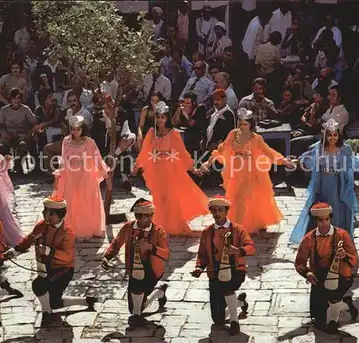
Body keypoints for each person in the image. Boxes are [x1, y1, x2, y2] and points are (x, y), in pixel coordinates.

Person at [4, 196, 97, 326]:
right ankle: (85, 301)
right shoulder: (42, 225)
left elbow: (67, 256)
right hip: (46, 268)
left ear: (55, 214)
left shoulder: (67, 232)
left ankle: (47, 313)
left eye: (46, 210)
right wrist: (14, 251)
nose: (43, 212)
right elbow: (29, 239)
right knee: (53, 301)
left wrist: (48, 251)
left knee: (39, 286)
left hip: (63, 270)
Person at [199, 109, 293, 235]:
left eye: (245, 124)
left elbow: (268, 152)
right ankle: (237, 223)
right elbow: (221, 149)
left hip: (250, 171)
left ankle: (240, 225)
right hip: (235, 171)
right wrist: (208, 162)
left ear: (251, 126)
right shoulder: (233, 134)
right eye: (240, 124)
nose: (242, 127)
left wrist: (283, 160)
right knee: (234, 195)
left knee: (242, 196)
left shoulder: (256, 139)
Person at [290, 119, 359, 244]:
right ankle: (321, 239)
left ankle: (338, 239)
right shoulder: (319, 148)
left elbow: (355, 162)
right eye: (330, 135)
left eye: (335, 135)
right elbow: (308, 158)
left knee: (337, 210)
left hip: (338, 184)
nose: (332, 138)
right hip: (323, 184)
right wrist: (296, 162)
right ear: (325, 135)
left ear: (339, 135)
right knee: (323, 209)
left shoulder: (345, 149)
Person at [133, 102, 208, 236]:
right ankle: (160, 226)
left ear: (167, 118)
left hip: (170, 170)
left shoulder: (173, 134)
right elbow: (145, 151)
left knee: (169, 197)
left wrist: (192, 168)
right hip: (155, 169)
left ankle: (172, 225)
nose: (160, 120)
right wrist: (137, 165)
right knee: (158, 197)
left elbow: (182, 152)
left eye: (163, 117)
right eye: (158, 117)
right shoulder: (151, 132)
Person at [192, 196, 254, 334]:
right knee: (217, 319)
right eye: (214, 211)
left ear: (227, 212)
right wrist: (198, 267)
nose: (217, 214)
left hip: (235, 270)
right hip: (215, 272)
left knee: (227, 288)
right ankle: (239, 302)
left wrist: (238, 251)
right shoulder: (207, 232)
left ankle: (234, 322)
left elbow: (250, 247)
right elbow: (202, 254)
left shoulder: (238, 230)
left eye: (220, 210)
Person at [101, 199, 169, 326]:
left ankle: (137, 314)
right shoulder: (128, 227)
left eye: (149, 215)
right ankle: (156, 294)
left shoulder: (159, 231)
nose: (146, 219)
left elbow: (165, 253)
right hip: (134, 269)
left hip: (152, 271)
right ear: (137, 216)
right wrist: (107, 257)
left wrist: (149, 246)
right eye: (142, 216)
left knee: (138, 300)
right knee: (136, 304)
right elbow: (117, 243)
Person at [294, 202, 359, 333]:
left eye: (327, 220)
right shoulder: (308, 238)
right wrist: (307, 274)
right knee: (318, 320)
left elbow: (355, 258)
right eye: (321, 221)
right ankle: (346, 305)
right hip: (320, 278)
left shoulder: (342, 235)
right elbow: (299, 263)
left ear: (330, 218)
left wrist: (344, 255)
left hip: (341, 276)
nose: (324, 224)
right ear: (315, 222)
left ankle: (333, 322)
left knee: (333, 301)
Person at [52, 115, 110, 238]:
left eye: (78, 129)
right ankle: (71, 229)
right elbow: (63, 160)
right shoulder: (66, 141)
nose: (75, 132)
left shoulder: (89, 142)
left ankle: (85, 229)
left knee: (85, 202)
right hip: (70, 176)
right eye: (73, 129)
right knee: (71, 202)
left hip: (85, 176)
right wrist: (58, 176)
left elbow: (97, 159)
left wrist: (106, 176)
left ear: (83, 128)